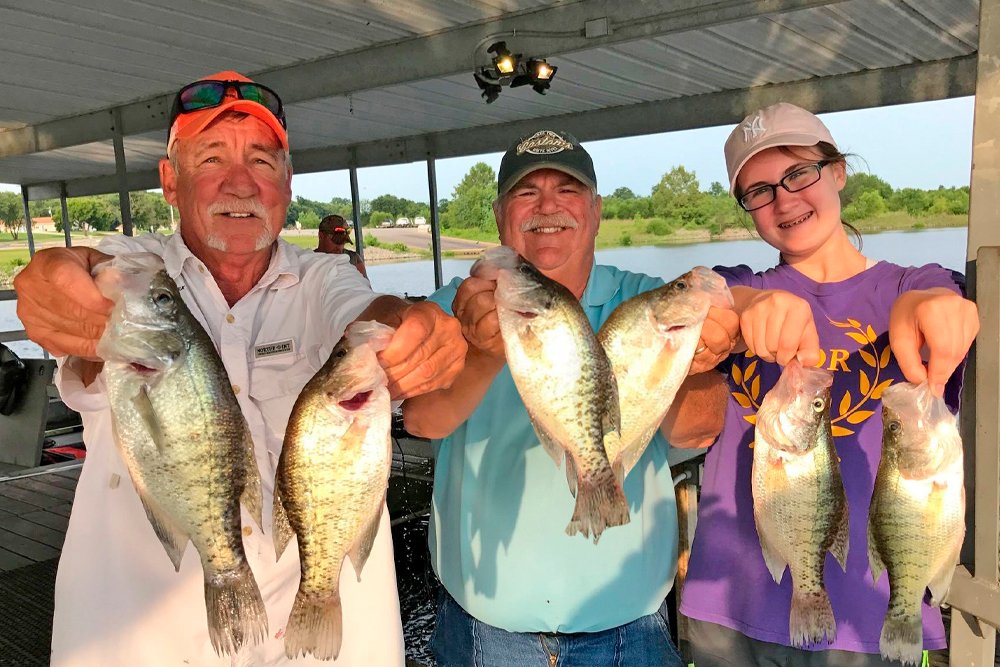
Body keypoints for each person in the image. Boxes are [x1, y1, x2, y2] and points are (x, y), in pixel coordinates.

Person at [12, 70, 467, 667]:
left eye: (261, 159)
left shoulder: (323, 277)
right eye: (210, 158)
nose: (240, 183)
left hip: (325, 641)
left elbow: (367, 312)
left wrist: (412, 327)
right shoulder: (138, 275)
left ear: (287, 181)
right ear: (170, 181)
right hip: (137, 642)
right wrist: (52, 277)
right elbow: (79, 270)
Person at [403, 129, 740, 666]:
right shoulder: (459, 304)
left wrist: (686, 361)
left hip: (629, 620)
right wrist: (485, 354)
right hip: (486, 627)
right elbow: (421, 420)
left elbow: (697, 430)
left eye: (568, 189)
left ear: (598, 209)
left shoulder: (645, 300)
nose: (547, 207)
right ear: (498, 213)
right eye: (525, 192)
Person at [679, 102, 980, 666]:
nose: (784, 199)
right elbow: (701, 296)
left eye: (798, 173)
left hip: (869, 616)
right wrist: (749, 305)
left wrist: (937, 308)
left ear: (838, 171)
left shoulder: (908, 283)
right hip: (731, 604)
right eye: (759, 191)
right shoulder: (743, 285)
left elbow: (937, 298)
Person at [317, 213, 368, 277]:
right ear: (321, 236)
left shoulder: (354, 259)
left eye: (343, 241)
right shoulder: (308, 260)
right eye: (336, 241)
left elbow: (365, 285)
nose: (339, 247)